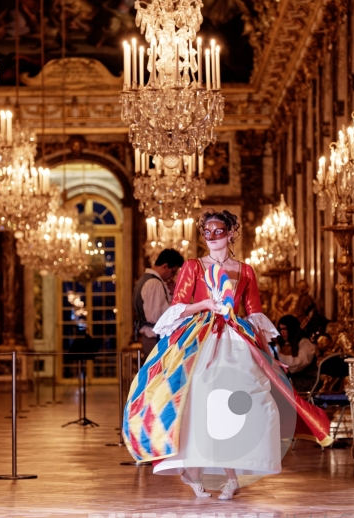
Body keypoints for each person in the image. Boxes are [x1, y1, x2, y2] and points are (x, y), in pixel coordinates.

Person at [124, 210, 332, 500]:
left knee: (244, 404)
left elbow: (255, 313)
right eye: (206, 232)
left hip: (236, 338)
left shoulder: (245, 271)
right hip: (200, 338)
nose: (211, 237)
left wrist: (269, 356)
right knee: (201, 402)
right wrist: (207, 304)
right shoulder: (193, 267)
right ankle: (194, 470)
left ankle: (231, 475)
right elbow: (180, 307)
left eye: (218, 231)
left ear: (231, 232)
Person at [132, 248, 184, 357]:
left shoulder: (146, 279)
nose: (172, 276)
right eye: (173, 272)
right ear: (165, 266)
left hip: (151, 337)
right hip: (155, 338)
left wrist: (170, 294)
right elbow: (158, 316)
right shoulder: (154, 283)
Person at [277, 314, 318, 392]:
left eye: (285, 329)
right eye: (280, 329)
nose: (282, 332)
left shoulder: (304, 343)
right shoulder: (283, 344)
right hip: (291, 379)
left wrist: (279, 357)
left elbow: (299, 363)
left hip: (305, 380)